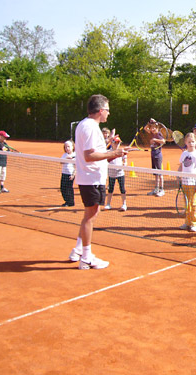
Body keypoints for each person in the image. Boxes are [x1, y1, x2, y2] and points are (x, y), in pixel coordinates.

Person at [68, 94, 128, 270]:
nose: (109, 114)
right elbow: (89, 156)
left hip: (91, 178)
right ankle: (86, 258)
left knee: (89, 215)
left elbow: (96, 154)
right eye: (107, 110)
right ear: (101, 111)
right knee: (91, 216)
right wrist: (113, 154)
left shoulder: (84, 125)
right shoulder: (91, 128)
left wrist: (115, 152)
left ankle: (78, 250)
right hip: (91, 178)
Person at [178, 133, 196, 232]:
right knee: (187, 204)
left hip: (194, 183)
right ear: (186, 143)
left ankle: (194, 223)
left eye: (193, 141)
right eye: (189, 142)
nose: (191, 143)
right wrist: (178, 175)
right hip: (185, 182)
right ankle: (187, 222)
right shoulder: (184, 154)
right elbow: (181, 166)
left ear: (195, 142)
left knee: (194, 204)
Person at [105, 135, 128, 211]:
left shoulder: (122, 151)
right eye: (116, 143)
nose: (117, 144)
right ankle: (108, 204)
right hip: (111, 174)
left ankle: (124, 204)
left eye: (118, 143)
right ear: (112, 143)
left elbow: (125, 161)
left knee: (122, 189)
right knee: (110, 189)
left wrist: (124, 164)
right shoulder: (108, 152)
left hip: (120, 173)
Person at [145, 119, 166, 197]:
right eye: (151, 128)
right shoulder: (152, 133)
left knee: (160, 173)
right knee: (156, 173)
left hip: (158, 155)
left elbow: (163, 141)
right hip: (153, 154)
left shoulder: (158, 134)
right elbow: (145, 128)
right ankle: (156, 189)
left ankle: (162, 189)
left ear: (157, 127)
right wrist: (149, 123)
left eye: (154, 127)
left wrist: (155, 139)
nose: (152, 129)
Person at [60, 140, 76, 207]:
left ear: (72, 147)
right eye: (66, 147)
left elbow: (76, 167)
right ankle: (66, 200)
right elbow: (61, 162)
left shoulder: (75, 155)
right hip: (64, 173)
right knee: (62, 188)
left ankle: (70, 202)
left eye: (68, 146)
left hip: (70, 174)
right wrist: (66, 158)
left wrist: (73, 175)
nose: (67, 148)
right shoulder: (64, 155)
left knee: (69, 188)